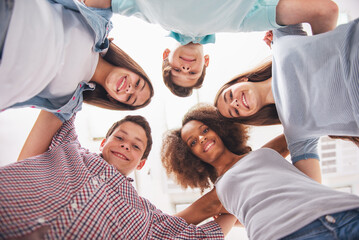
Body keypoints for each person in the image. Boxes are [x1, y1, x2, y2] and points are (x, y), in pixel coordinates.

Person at [0, 110, 237, 239]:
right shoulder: (67, 145)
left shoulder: (145, 215)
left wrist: (235, 210)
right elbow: (66, 96)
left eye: (136, 146)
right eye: (120, 137)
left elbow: (200, 237)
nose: (125, 146)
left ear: (141, 164)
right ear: (104, 141)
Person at [161, 103, 359, 240]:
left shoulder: (265, 152)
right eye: (193, 142)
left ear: (218, 129)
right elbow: (168, 225)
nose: (202, 138)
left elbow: (302, 130)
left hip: (343, 211)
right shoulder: (216, 195)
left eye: (204, 130)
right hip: (288, 234)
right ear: (191, 159)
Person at [82, 0, 338, 97]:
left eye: (177, 70)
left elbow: (97, 1)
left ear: (165, 56)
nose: (185, 67)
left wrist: (98, 34)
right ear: (206, 63)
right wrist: (319, 72)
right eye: (191, 73)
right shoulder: (242, 21)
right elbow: (324, 11)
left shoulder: (145, 11)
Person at [215, 18, 359, 182]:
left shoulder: (282, 42)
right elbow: (313, 187)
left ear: (241, 80)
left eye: (230, 96)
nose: (235, 103)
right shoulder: (295, 132)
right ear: (247, 117)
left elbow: (298, 9)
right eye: (234, 111)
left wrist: (270, 23)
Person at [0, 0, 154, 123]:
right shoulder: (99, 27)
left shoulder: (71, 105)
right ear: (133, 68)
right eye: (137, 83)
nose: (129, 89)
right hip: (12, 17)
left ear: (114, 100)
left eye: (129, 98)